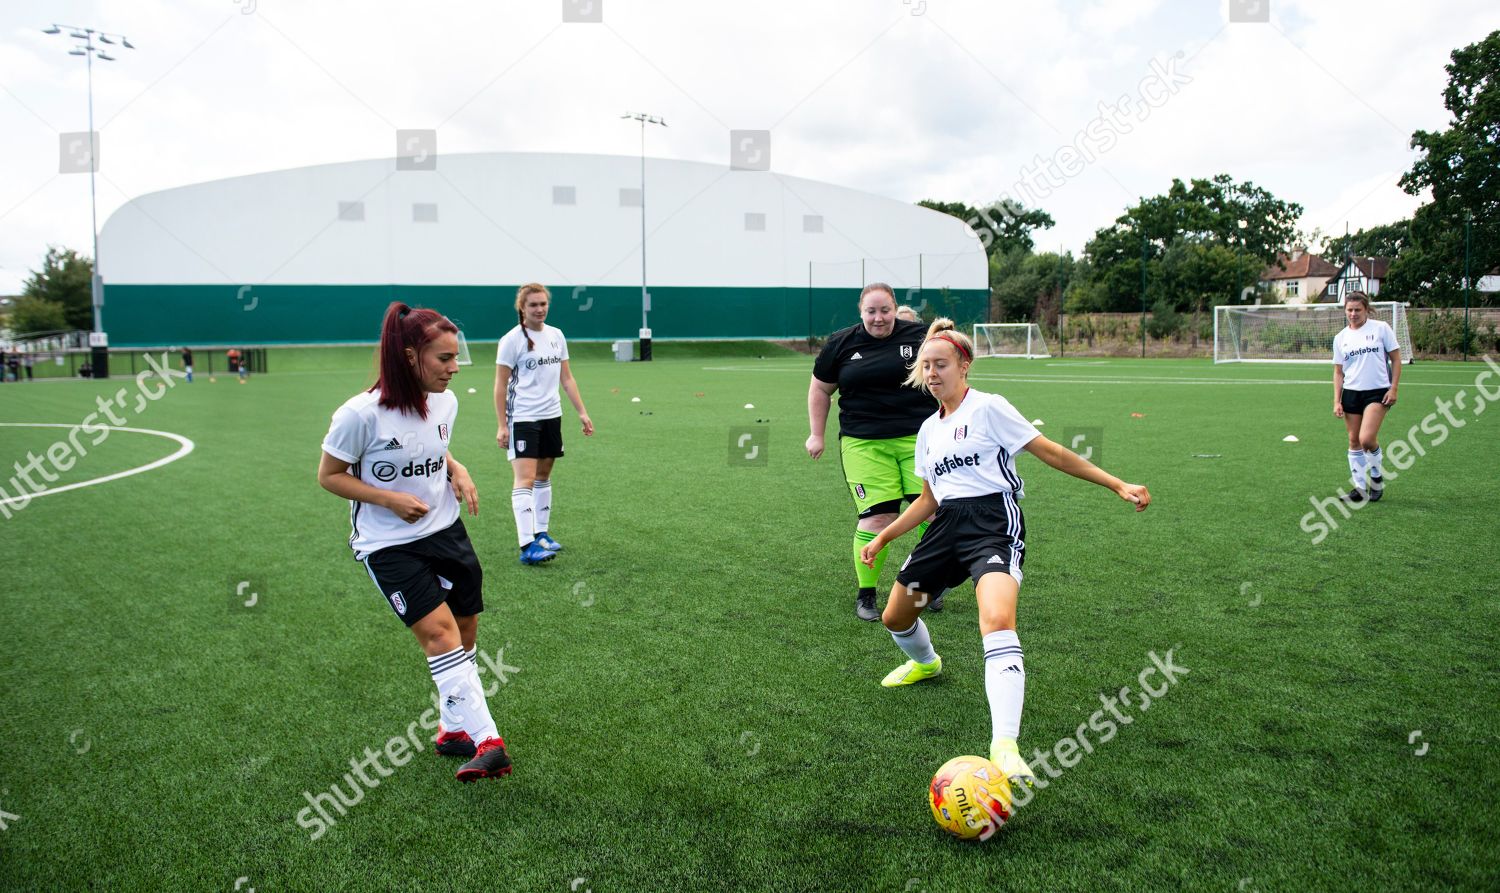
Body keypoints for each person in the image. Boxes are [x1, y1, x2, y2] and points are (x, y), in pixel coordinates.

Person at [859, 318, 1150, 789]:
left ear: (964, 365)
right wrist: (884, 537)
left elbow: (1052, 453)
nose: (932, 373)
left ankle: (1005, 746)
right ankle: (927, 662)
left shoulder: (989, 408)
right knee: (896, 617)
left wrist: (1117, 483)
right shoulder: (927, 431)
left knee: (995, 618)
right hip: (945, 528)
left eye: (941, 364)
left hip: (992, 524)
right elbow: (929, 500)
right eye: (925, 366)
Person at [318, 301, 512, 782]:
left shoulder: (446, 401)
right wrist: (387, 499)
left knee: (465, 631)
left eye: (455, 356)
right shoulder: (360, 415)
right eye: (444, 358)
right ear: (409, 357)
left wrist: (458, 468)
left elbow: (432, 447)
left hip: (446, 531)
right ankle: (489, 741)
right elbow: (329, 476)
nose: (455, 367)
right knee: (440, 636)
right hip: (389, 546)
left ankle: (451, 730)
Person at [807, 283, 938, 621]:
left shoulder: (920, 336)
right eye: (871, 311)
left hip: (918, 439)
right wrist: (816, 435)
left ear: (895, 309)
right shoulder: (840, 343)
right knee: (878, 518)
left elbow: (950, 368)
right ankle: (866, 595)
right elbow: (820, 389)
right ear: (860, 311)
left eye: (885, 310)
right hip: (863, 442)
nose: (878, 318)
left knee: (932, 513)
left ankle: (926, 586)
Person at [495, 283, 594, 565]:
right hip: (523, 417)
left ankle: (541, 533)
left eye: (543, 304)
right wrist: (502, 425)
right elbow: (500, 386)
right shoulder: (511, 340)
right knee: (525, 478)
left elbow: (567, 378)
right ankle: (527, 546)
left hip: (552, 415)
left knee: (544, 474)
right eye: (533, 305)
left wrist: (582, 412)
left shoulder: (556, 335)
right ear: (522, 308)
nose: (539, 309)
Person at [1333, 292, 1400, 503]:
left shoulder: (1381, 329)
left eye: (1357, 310)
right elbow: (1338, 372)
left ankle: (1377, 478)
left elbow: (1396, 360)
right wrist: (1337, 400)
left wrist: (1394, 388)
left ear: (1366, 310)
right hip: (1351, 393)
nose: (1353, 314)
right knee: (1354, 441)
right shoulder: (1340, 337)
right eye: (1349, 310)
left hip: (1377, 391)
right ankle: (1359, 489)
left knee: (1366, 439)